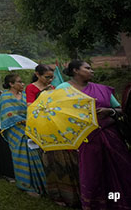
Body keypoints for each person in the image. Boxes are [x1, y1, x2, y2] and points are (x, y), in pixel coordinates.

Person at [57, 60, 130, 210]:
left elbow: (120, 109)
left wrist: (109, 111)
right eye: (88, 68)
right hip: (86, 138)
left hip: (111, 136)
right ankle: (97, 204)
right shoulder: (63, 89)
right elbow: (57, 112)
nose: (92, 71)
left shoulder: (101, 89)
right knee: (93, 173)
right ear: (76, 70)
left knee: (118, 169)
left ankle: (116, 201)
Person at [31, 64, 80, 207]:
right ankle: (58, 195)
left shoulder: (56, 95)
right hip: (48, 136)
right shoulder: (34, 94)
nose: (51, 80)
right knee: (54, 166)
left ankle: (77, 193)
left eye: (52, 77)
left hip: (63, 134)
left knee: (71, 163)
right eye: (47, 77)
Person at [0, 73, 46, 197]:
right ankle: (25, 185)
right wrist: (23, 120)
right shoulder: (5, 97)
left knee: (34, 153)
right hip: (15, 130)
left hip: (30, 128)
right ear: (11, 84)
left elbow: (32, 109)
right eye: (19, 82)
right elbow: (8, 114)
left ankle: (38, 183)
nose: (22, 84)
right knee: (21, 155)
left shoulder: (25, 95)